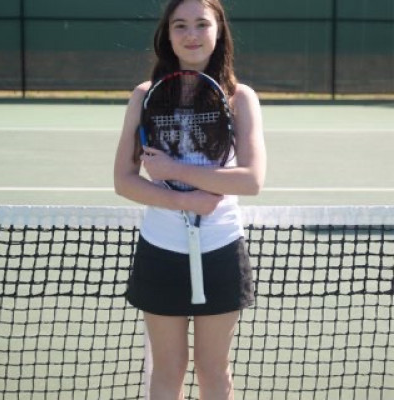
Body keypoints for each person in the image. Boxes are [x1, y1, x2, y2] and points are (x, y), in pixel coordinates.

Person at [114, 0, 266, 398]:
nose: (191, 35)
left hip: (221, 248)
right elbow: (124, 181)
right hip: (160, 249)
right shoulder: (145, 96)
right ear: (167, 35)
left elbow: (251, 180)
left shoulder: (240, 98)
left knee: (214, 370)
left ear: (219, 31)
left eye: (202, 24)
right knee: (167, 369)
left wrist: (174, 171)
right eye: (180, 25)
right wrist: (186, 202)